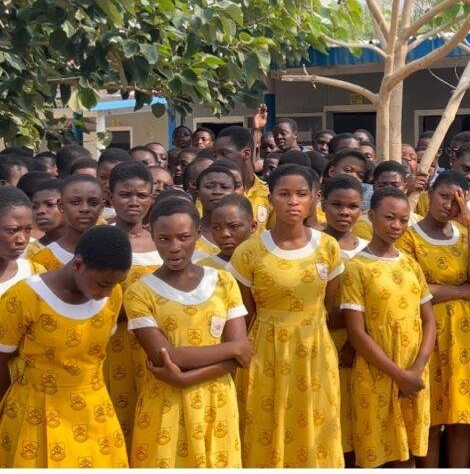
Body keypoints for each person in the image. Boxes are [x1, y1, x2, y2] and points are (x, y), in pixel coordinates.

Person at [0, 226, 133, 467]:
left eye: (115, 284)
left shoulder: (112, 296)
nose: (106, 292)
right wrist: (17, 406)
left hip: (95, 413)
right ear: (78, 265)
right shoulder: (25, 297)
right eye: (102, 284)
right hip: (35, 412)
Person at [227, 164, 345, 467]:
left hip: (315, 349)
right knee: (267, 423)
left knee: (316, 424)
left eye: (301, 194)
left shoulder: (328, 247)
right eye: (284, 194)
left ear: (313, 199)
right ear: (271, 199)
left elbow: (330, 302)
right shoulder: (249, 252)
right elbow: (244, 312)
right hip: (266, 352)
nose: (293, 201)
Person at [125, 198, 249, 467]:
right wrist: (232, 349)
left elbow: (244, 355)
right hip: (166, 404)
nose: (174, 247)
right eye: (164, 239)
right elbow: (166, 356)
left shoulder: (223, 281)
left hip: (217, 401)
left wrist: (184, 378)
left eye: (183, 237)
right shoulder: (139, 292)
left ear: (198, 234)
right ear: (152, 236)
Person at [396, 170, 470, 468]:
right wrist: (462, 292)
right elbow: (414, 288)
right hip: (425, 331)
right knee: (429, 421)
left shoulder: (466, 236)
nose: (448, 206)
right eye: (443, 196)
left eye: (457, 201)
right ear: (429, 194)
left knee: (460, 420)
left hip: (464, 337)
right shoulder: (408, 237)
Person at [340, 187, 435, 467]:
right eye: (389, 218)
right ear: (371, 216)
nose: (396, 226)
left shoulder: (410, 264)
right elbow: (357, 333)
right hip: (376, 370)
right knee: (377, 451)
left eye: (403, 220)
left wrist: (416, 368)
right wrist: (398, 375)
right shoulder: (357, 268)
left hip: (414, 368)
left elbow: (428, 320)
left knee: (407, 451)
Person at [106, 161, 161, 444]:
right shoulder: (98, 241)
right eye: (125, 195)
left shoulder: (163, 240)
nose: (134, 202)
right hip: (116, 348)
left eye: (142, 195)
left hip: (159, 348)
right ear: (111, 196)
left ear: (152, 196)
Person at [0, 187, 45, 444]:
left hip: (29, 393)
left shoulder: (37, 274)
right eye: (12, 231)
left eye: (27, 230)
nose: (22, 239)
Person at [318, 176, 367, 462]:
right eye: (336, 205)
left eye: (352, 206)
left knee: (355, 419)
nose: (344, 212)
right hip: (319, 339)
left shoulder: (367, 247)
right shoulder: (311, 244)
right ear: (323, 204)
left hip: (361, 345)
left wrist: (354, 342)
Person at [29, 175, 103, 272]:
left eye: (93, 203)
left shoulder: (113, 252)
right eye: (75, 202)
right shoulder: (40, 261)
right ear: (61, 206)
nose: (85, 209)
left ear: (102, 208)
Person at [213, 126, 274, 233]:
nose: (217, 160)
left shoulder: (268, 193)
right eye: (215, 155)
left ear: (246, 153)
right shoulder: (213, 193)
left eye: (224, 153)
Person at [197, 194, 255, 271]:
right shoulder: (203, 269)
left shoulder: (269, 261)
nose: (225, 234)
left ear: (253, 226)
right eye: (216, 228)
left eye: (234, 226)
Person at [194, 163, 239, 261]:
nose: (217, 192)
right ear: (198, 194)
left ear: (235, 193)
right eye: (209, 186)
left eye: (224, 187)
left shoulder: (246, 234)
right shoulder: (189, 235)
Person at [27, 179, 64, 255]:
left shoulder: (88, 244)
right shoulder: (29, 252)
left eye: (50, 205)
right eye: (34, 207)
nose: (40, 211)